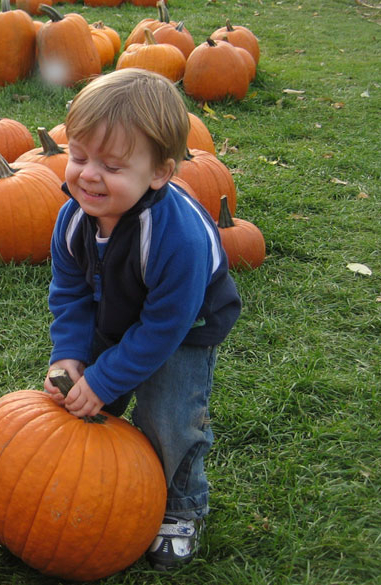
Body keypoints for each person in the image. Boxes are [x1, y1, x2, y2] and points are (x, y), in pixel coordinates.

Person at [43, 68, 241, 570]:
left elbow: (161, 329)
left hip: (185, 327)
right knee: (85, 398)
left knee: (167, 415)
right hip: (115, 307)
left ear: (159, 173)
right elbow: (68, 294)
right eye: (79, 156)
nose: (87, 175)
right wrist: (69, 354)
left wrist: (108, 376)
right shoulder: (73, 218)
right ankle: (104, 486)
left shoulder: (175, 239)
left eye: (110, 166)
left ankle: (180, 505)